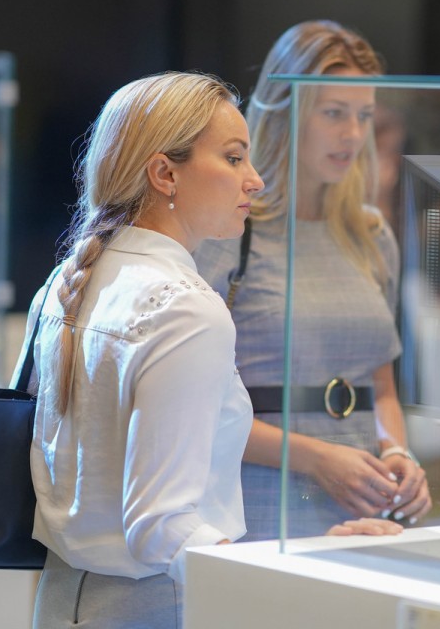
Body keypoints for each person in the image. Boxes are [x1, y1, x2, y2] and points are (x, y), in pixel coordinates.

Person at [25, 71, 398, 628]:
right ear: (165, 174)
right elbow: (161, 528)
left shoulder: (68, 281)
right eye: (233, 158)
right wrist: (302, 575)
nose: (255, 180)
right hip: (155, 604)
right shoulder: (185, 308)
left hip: (62, 599)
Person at [196, 20, 432, 540]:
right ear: (287, 111)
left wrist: (396, 451)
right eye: (334, 113)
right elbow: (194, 408)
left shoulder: (370, 234)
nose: (353, 134)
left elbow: (381, 386)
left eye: (364, 115)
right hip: (259, 503)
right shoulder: (229, 230)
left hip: (361, 504)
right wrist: (317, 458)